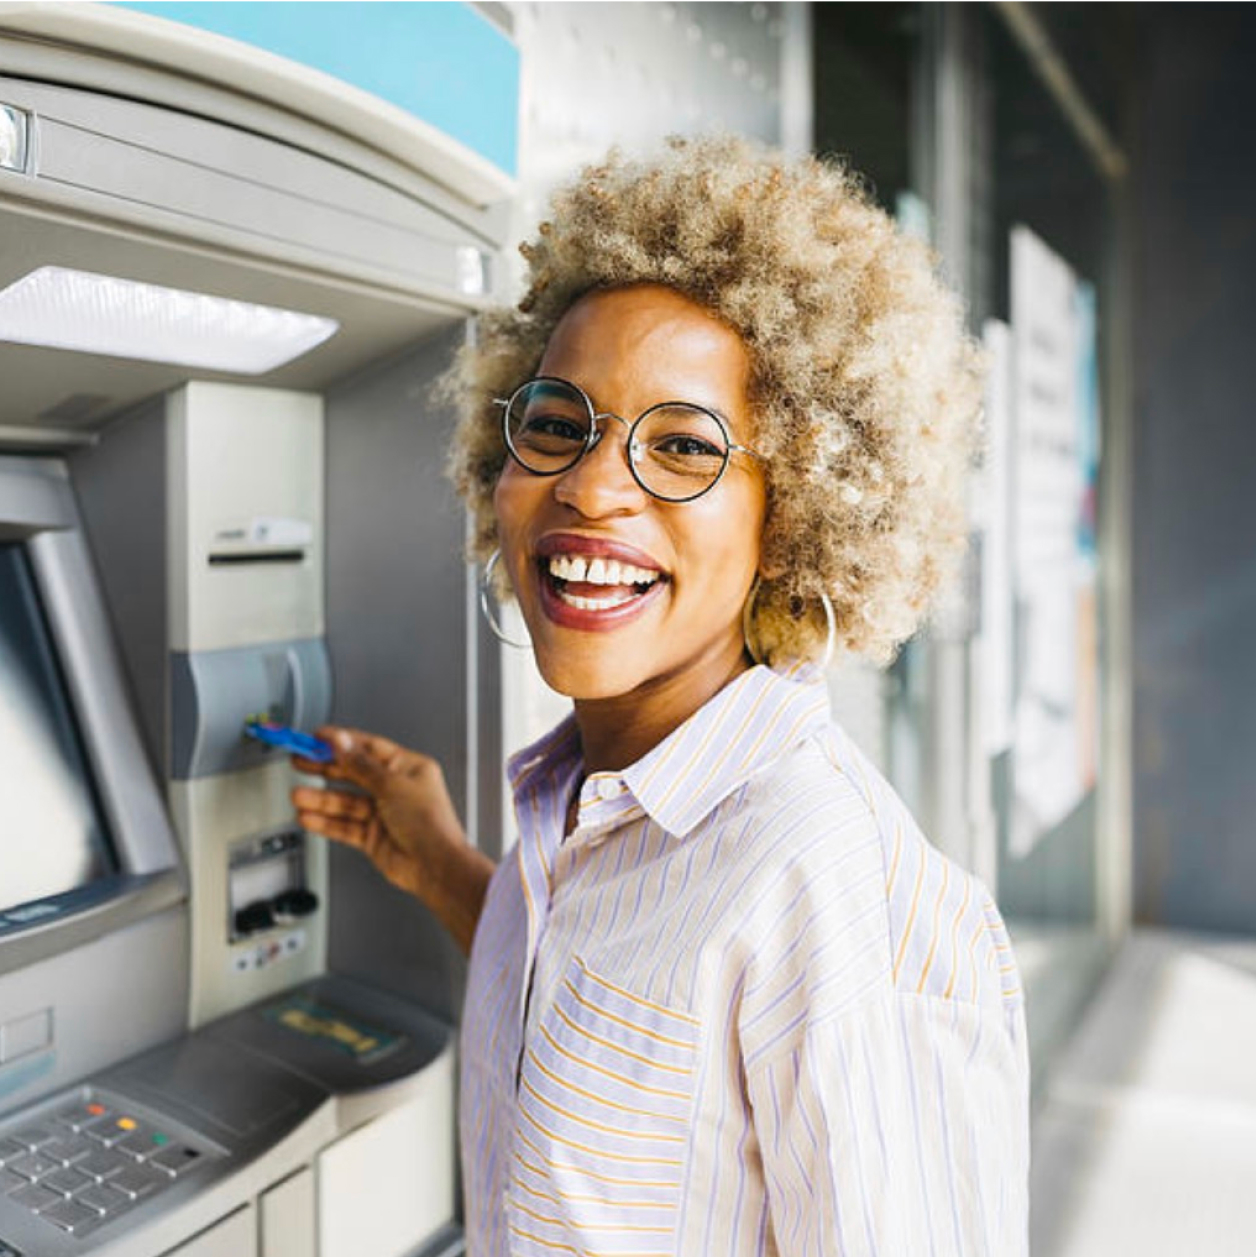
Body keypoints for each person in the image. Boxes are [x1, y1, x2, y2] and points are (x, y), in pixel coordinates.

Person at [293, 136, 1029, 1257]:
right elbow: (622, 999)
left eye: (680, 447)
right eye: (554, 424)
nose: (590, 488)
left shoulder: (836, 898)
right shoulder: (584, 803)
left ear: (791, 517)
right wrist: (444, 868)